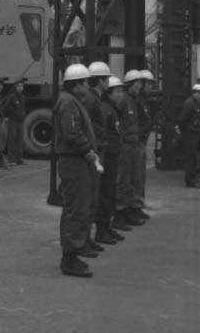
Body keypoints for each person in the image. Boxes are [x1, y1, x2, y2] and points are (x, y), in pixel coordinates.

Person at [53, 64, 101, 278]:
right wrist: (88, 151)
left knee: (75, 207)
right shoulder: (68, 103)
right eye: (86, 83)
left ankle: (72, 253)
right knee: (76, 208)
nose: (88, 87)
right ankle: (70, 257)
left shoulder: (71, 102)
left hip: (76, 160)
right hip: (75, 161)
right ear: (77, 84)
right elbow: (72, 133)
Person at [83, 61, 112, 253]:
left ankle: (87, 238)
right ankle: (84, 240)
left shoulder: (95, 99)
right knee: (89, 197)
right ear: (100, 81)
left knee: (94, 196)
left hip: (97, 149)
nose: (108, 82)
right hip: (94, 151)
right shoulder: (92, 100)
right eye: (107, 79)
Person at [112, 70, 144, 228]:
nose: (140, 86)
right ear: (130, 84)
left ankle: (129, 209)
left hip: (133, 143)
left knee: (132, 178)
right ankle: (120, 212)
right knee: (122, 179)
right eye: (137, 83)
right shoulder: (124, 100)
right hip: (125, 145)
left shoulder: (134, 100)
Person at [95, 76, 124, 245]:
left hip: (113, 154)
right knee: (105, 193)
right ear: (110, 94)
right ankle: (101, 229)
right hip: (108, 155)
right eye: (118, 92)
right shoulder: (105, 109)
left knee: (110, 193)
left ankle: (106, 226)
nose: (121, 95)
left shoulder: (112, 109)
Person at [128, 70, 152, 218]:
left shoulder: (142, 100)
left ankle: (138, 204)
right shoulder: (135, 100)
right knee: (135, 176)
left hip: (141, 142)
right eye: (147, 84)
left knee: (140, 176)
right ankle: (133, 205)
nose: (150, 87)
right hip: (136, 143)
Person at [178, 83, 200, 186]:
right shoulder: (189, 103)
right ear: (195, 93)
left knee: (195, 157)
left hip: (196, 133)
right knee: (190, 158)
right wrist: (185, 131)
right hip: (190, 134)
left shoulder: (197, 103)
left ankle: (194, 177)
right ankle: (190, 180)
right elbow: (183, 119)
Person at [3, 79, 26, 164]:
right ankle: (11, 159)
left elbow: (23, 108)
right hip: (13, 121)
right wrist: (7, 116)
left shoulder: (23, 97)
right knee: (11, 140)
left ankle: (19, 159)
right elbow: (6, 107)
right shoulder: (11, 96)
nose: (20, 88)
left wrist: (23, 115)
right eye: (19, 86)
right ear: (15, 87)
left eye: (22, 86)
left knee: (20, 140)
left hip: (20, 121)